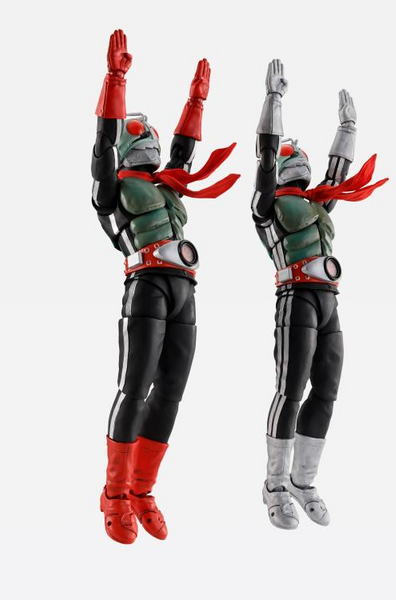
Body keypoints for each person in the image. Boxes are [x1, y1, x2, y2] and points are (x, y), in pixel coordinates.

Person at [92, 30, 239, 544]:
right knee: (134, 387)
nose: (149, 140)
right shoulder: (112, 187)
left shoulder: (167, 184)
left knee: (171, 390)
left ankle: (142, 488)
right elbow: (102, 144)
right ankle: (113, 493)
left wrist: (196, 102)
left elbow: (184, 150)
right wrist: (115, 80)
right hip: (146, 285)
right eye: (138, 134)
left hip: (184, 290)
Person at [251, 59, 387, 529]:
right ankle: (274, 484)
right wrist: (273, 100)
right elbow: (266, 158)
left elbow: (338, 174)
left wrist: (348, 128)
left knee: (326, 389)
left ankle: (303, 481)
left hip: (328, 299)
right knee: (290, 389)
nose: (299, 158)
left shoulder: (316, 202)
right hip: (296, 296)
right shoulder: (268, 205)